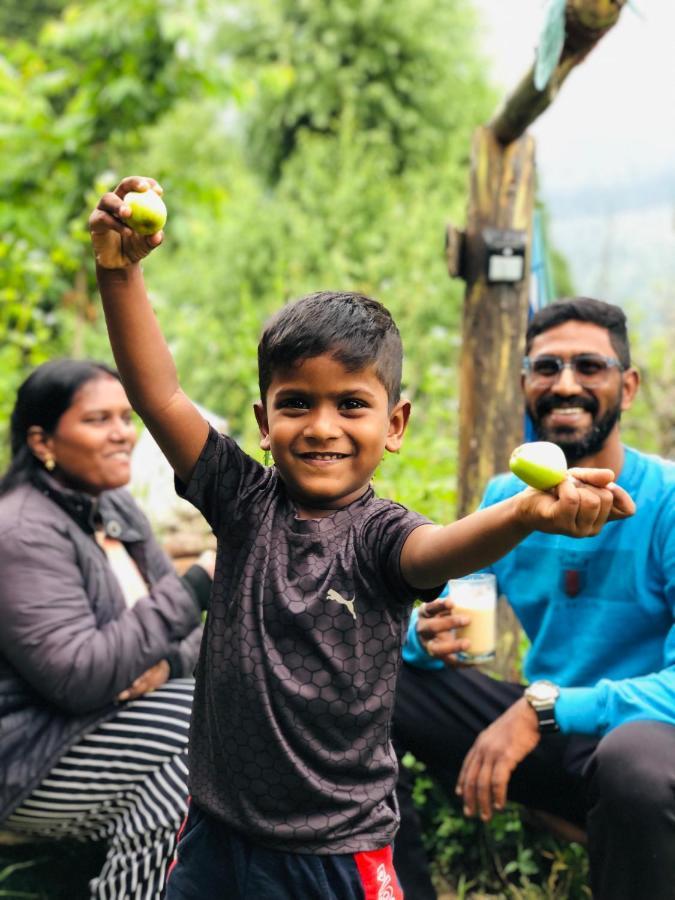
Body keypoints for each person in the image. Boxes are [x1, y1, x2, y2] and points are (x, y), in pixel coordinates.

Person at [88, 177, 634, 900]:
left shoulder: (381, 534)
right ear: (261, 420)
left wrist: (522, 516)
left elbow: (439, 551)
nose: (321, 427)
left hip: (336, 851)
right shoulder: (242, 499)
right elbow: (157, 393)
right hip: (218, 831)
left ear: (395, 424)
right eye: (295, 404)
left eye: (351, 404)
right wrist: (119, 272)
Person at [394, 297, 675, 900]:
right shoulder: (508, 498)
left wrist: (542, 711)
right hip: (550, 741)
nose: (565, 384)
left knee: (632, 759)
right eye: (546, 368)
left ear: (627, 388)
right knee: (373, 681)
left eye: (589, 367)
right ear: (525, 384)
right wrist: (423, 638)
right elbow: (459, 615)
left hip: (645, 745)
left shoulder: (667, 501)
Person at [0, 359, 215, 900]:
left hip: (104, 726)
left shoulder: (113, 505)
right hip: (28, 752)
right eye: (99, 420)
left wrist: (163, 664)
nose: (123, 433)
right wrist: (194, 589)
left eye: (125, 417)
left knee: (228, 712)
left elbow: (187, 639)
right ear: (42, 439)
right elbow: (78, 677)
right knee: (184, 755)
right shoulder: (21, 531)